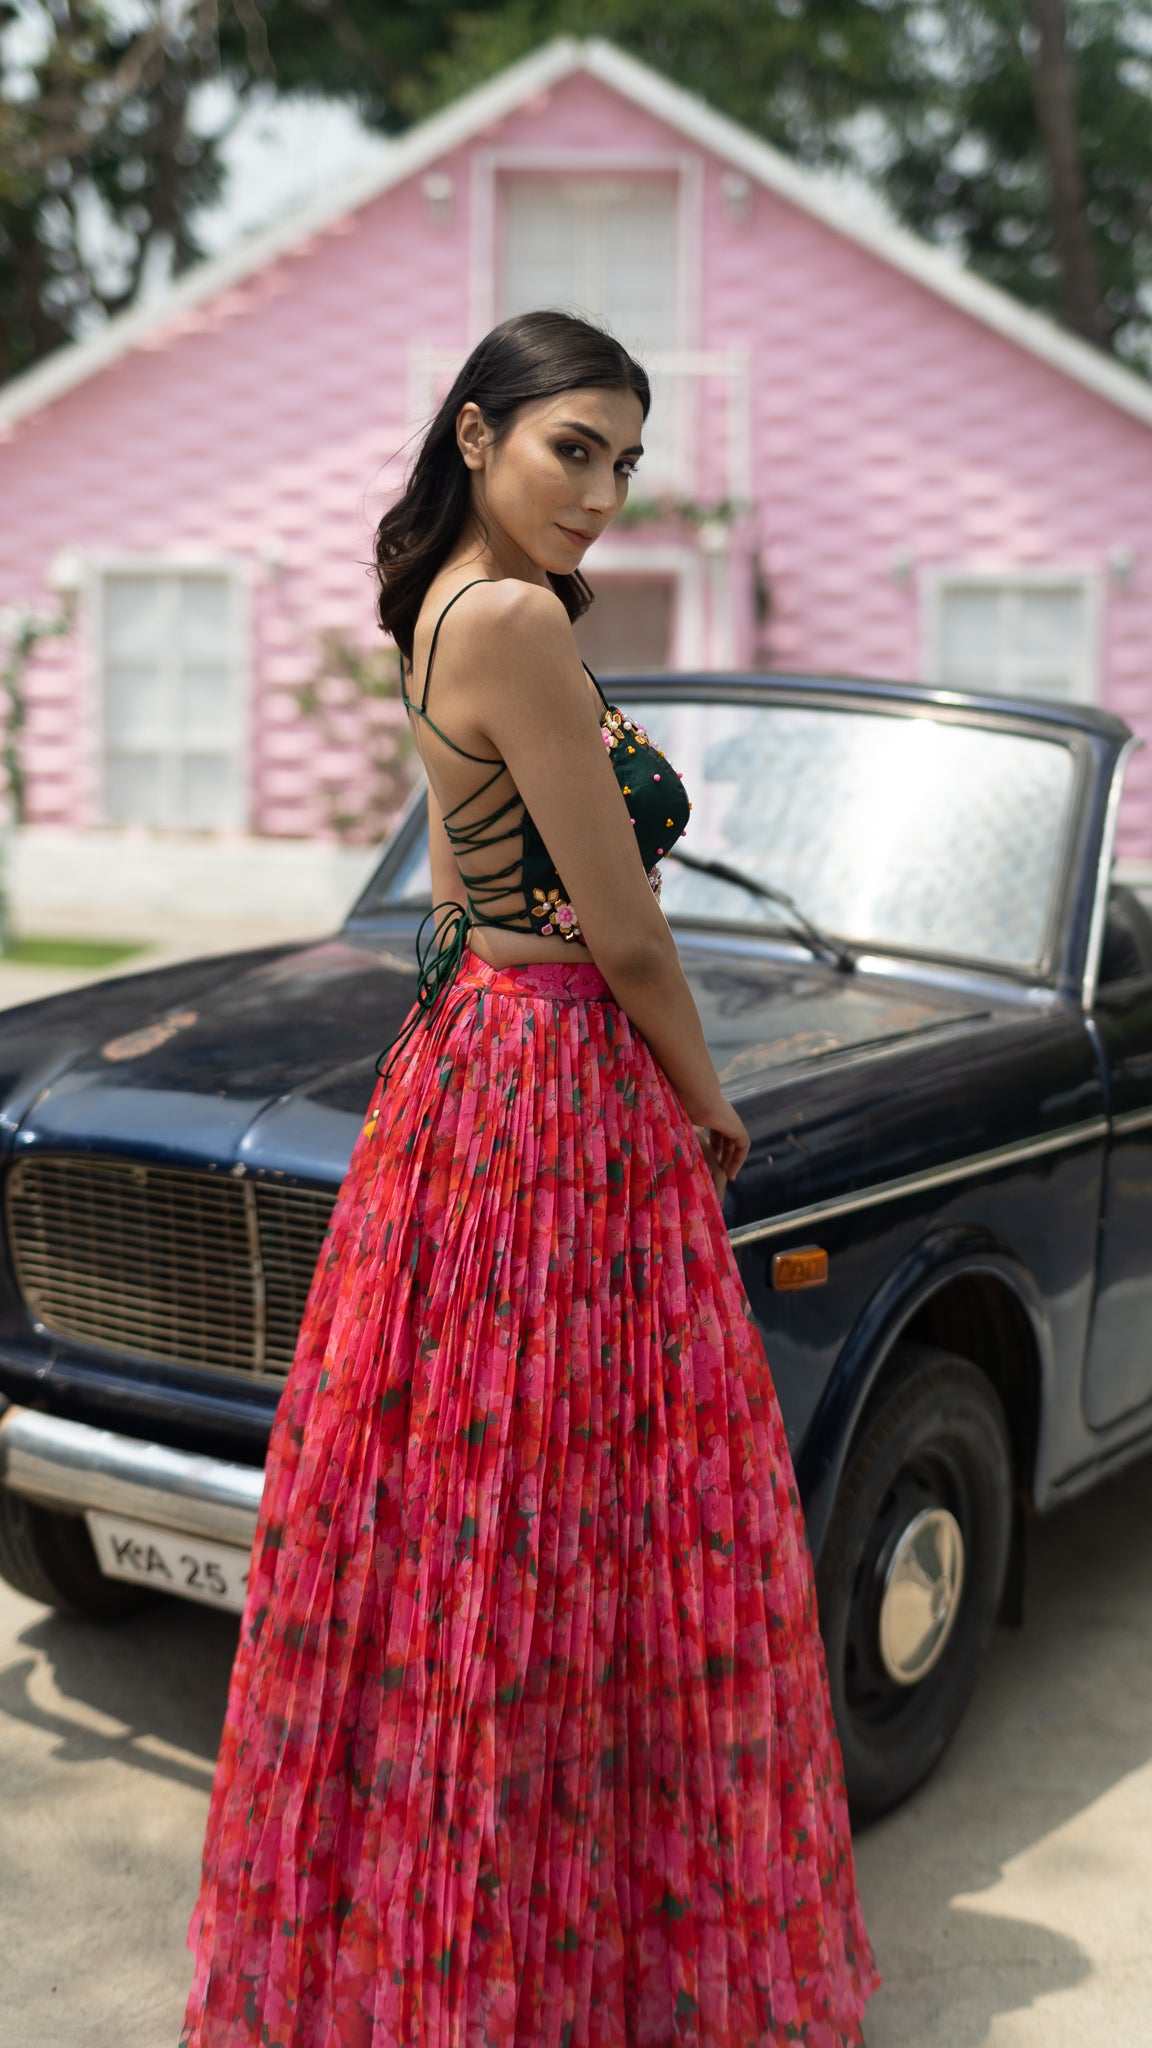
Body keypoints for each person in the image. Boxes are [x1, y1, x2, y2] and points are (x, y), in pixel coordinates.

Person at [182, 308, 879, 2047]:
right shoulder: (508, 621)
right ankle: (559, 1956)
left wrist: (485, 976)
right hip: (557, 1079)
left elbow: (473, 885)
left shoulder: (443, 614)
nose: (605, 492)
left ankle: (490, 1939)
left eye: (629, 463)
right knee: (592, 1506)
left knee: (482, 1502)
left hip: (476, 1060)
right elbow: (630, 935)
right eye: (576, 447)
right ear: (478, 433)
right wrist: (709, 1106)